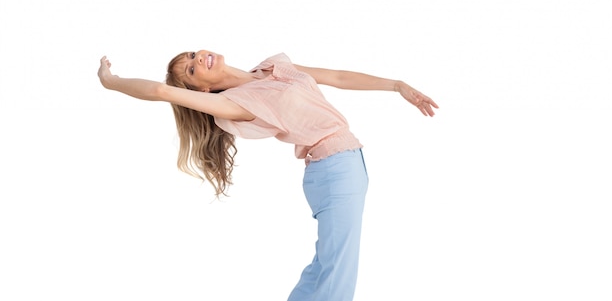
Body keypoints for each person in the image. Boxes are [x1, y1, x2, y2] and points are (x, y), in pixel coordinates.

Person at [97, 50, 438, 301]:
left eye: (191, 55)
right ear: (199, 91)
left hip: (345, 166)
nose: (197, 59)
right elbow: (162, 91)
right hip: (334, 171)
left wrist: (397, 85)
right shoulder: (235, 103)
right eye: (190, 69)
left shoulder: (271, 67)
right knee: (337, 278)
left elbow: (335, 76)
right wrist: (111, 82)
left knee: (324, 270)